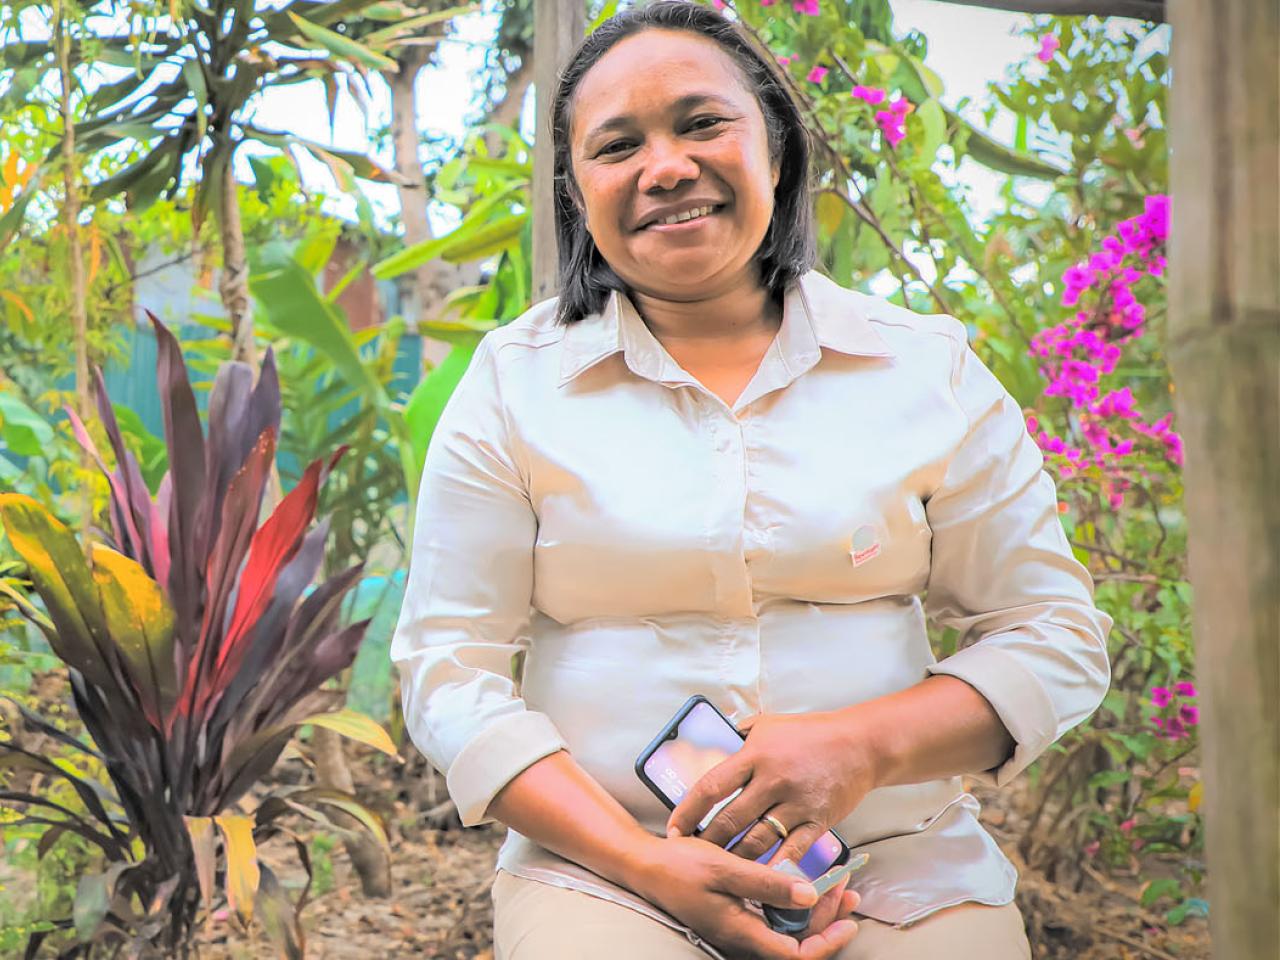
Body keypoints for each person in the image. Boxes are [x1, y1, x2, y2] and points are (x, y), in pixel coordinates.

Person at [389, 3, 1113, 958]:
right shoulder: (514, 386)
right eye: (617, 145)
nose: (665, 167)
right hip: (607, 873)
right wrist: (646, 865)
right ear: (576, 189)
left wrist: (863, 747)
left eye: (701, 123)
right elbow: (448, 666)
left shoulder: (925, 370)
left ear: (773, 142)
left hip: (898, 867)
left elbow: (1055, 635)